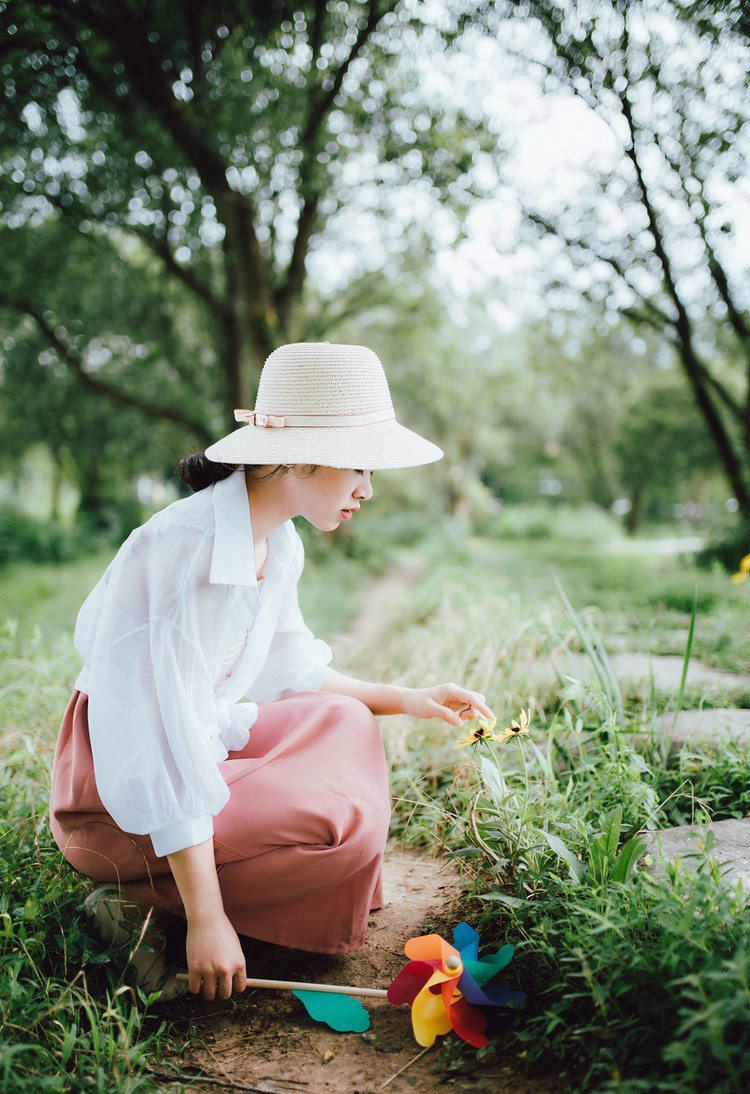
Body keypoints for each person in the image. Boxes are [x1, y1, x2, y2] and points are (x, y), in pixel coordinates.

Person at [48, 341, 494, 1003]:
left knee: (347, 728)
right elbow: (158, 742)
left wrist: (410, 699)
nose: (367, 489)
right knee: (334, 828)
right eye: (359, 466)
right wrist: (208, 918)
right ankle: (143, 907)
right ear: (294, 455)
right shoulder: (183, 551)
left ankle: (196, 894)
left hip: (193, 743)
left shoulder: (278, 541)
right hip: (114, 798)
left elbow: (295, 671)